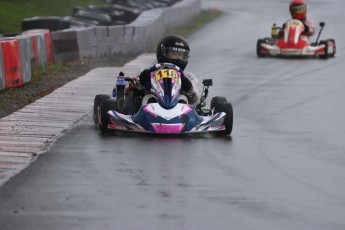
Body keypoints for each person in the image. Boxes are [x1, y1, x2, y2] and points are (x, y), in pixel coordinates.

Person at [137, 35, 200, 106]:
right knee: (148, 98)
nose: (177, 58)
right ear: (162, 52)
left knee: (182, 98)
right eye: (173, 54)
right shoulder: (150, 72)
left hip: (179, 110)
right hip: (153, 107)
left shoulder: (188, 77)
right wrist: (142, 79)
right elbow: (136, 88)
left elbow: (195, 100)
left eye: (180, 55)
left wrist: (186, 84)